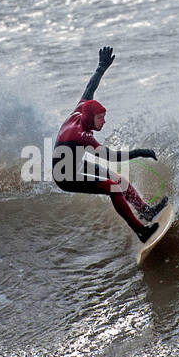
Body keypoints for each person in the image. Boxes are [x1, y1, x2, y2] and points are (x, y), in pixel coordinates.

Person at [52, 46, 169, 242]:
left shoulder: (83, 108)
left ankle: (145, 211)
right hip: (65, 175)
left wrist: (101, 67)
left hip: (75, 163)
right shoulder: (80, 135)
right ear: (90, 120)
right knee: (113, 187)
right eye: (100, 119)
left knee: (120, 181)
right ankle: (141, 231)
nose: (104, 122)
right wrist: (140, 152)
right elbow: (112, 157)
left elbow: (90, 88)